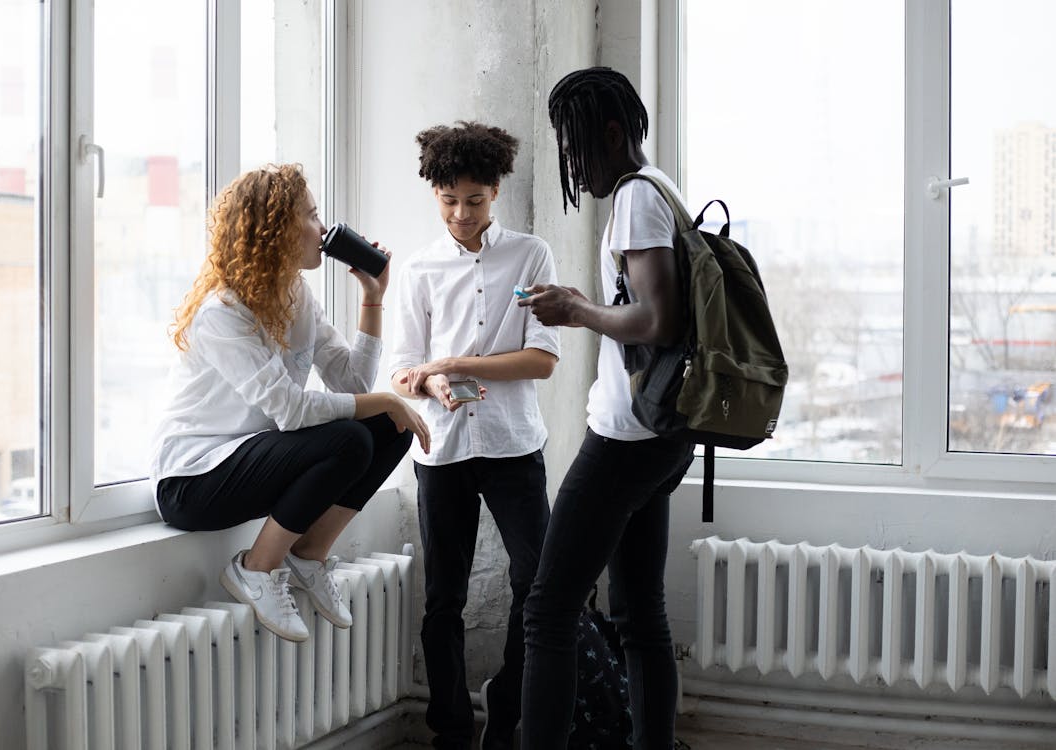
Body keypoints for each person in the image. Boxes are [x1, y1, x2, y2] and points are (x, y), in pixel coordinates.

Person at [149, 163, 430, 642]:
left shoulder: (297, 295)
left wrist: (373, 298)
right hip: (192, 480)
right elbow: (292, 410)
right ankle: (257, 569)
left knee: (387, 429)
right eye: (312, 215)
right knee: (349, 438)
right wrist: (385, 399)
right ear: (277, 228)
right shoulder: (221, 312)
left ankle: (307, 556)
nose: (323, 229)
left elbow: (353, 383)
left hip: (254, 458)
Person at [518, 67, 696, 748]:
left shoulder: (634, 200)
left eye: (574, 148)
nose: (570, 164)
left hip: (626, 439)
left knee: (547, 609)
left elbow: (655, 318)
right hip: (660, 434)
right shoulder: (661, 192)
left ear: (613, 134)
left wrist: (577, 310)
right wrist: (585, 306)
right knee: (637, 613)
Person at [389, 121, 561, 750]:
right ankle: (450, 730)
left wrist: (453, 364)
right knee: (444, 598)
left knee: (536, 584)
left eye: (475, 200)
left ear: (496, 191)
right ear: (436, 193)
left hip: (515, 444)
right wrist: (431, 382)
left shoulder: (531, 255)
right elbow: (406, 367)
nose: (462, 214)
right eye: (449, 200)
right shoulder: (419, 269)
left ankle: (509, 713)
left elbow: (541, 359)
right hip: (444, 449)